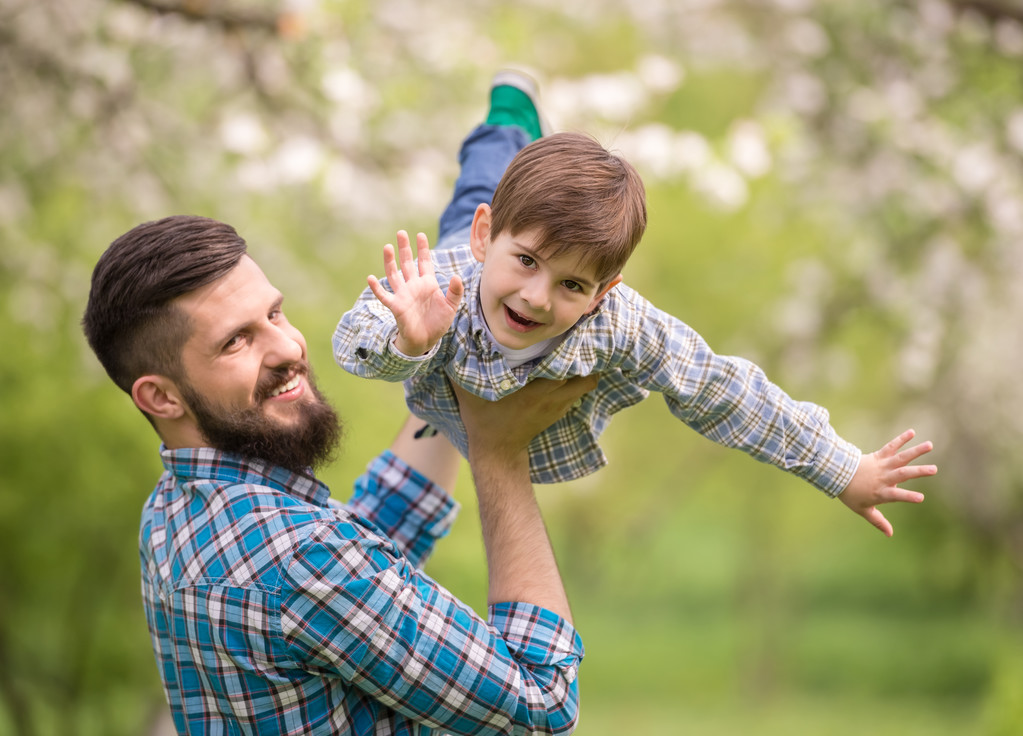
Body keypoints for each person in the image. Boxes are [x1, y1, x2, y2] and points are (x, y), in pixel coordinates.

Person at [332, 71, 937, 537]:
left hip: (503, 331)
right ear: (490, 240)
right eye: (527, 263)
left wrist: (840, 469)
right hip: (463, 274)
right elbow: (353, 345)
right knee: (480, 179)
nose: (538, 298)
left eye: (573, 285)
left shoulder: (622, 326)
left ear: (606, 290)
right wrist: (408, 342)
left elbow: (721, 389)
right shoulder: (437, 284)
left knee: (508, 213)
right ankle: (511, 109)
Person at [82, 214, 596, 735]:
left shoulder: (173, 508)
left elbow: (365, 559)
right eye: (236, 341)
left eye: (275, 314)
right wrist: (498, 452)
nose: (288, 348)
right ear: (161, 397)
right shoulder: (304, 558)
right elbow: (542, 705)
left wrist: (453, 368)